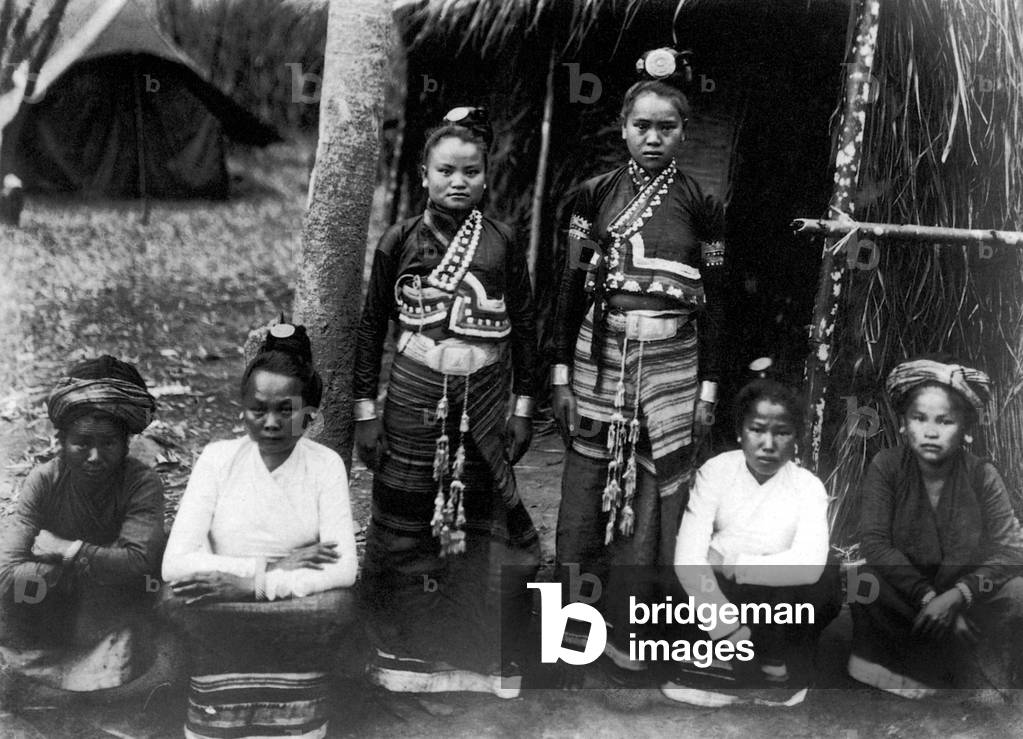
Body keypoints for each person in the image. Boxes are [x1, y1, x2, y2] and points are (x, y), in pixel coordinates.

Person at [353, 109, 538, 698]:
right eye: (445, 170)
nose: (458, 181)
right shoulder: (399, 239)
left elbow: (527, 328)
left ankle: (474, 651)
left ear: (487, 178)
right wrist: (364, 410)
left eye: (471, 171)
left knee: (478, 523)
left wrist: (524, 407)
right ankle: (403, 648)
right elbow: (369, 328)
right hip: (411, 397)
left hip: (481, 398)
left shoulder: (504, 241)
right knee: (406, 515)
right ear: (425, 174)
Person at [549, 78, 728, 670]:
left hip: (675, 367)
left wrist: (708, 389)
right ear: (622, 128)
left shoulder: (703, 205)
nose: (653, 138)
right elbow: (569, 287)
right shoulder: (590, 196)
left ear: (683, 133)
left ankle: (632, 643)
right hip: (598, 361)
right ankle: (571, 639)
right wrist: (557, 376)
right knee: (582, 502)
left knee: (653, 505)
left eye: (667, 127)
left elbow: (720, 298)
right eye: (643, 126)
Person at [161, 323, 358, 739]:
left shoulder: (325, 465)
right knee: (177, 596)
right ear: (242, 409)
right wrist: (269, 564)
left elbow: (342, 570)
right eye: (257, 409)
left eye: (285, 410)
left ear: (310, 414)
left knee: (334, 606)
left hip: (279, 602)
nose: (270, 423)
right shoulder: (217, 459)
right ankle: (220, 708)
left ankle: (293, 713)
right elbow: (175, 563)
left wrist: (256, 585)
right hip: (228, 597)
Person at [849, 357, 1023, 701]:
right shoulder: (887, 467)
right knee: (864, 581)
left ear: (966, 429)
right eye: (919, 418)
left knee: (1018, 592)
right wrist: (930, 599)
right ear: (903, 425)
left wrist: (957, 597)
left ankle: (976, 670)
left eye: (945, 421)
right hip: (908, 594)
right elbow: (875, 542)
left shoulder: (982, 475)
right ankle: (904, 673)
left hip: (966, 593)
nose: (930, 431)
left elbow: (1011, 550)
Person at [665, 379, 839, 706]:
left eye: (782, 432)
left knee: (827, 583)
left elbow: (810, 565)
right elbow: (689, 557)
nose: (768, 444)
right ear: (740, 432)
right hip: (722, 598)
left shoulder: (808, 486)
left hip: (779, 598)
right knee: (677, 581)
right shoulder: (715, 472)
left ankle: (777, 663)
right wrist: (724, 626)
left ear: (796, 439)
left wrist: (731, 563)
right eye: (757, 429)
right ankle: (725, 663)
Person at [0, 355, 164, 700]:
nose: (94, 456)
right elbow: (5, 571)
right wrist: (91, 568)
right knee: (17, 595)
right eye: (82, 443)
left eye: (108, 444)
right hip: (56, 607)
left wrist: (66, 550)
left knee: (160, 599)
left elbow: (138, 564)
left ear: (126, 444)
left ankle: (86, 687)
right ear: (61, 442)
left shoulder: (141, 482)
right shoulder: (44, 480)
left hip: (117, 606)